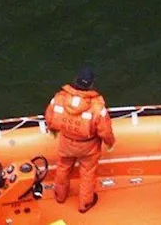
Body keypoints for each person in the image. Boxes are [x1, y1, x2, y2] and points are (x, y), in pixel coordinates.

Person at [43, 66, 115, 213]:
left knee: (63, 168)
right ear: (91, 84)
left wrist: (53, 130)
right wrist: (110, 143)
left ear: (75, 80)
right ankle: (85, 204)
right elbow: (105, 130)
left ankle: (60, 195)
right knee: (87, 174)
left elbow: (49, 118)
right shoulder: (96, 107)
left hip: (67, 143)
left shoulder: (59, 99)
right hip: (88, 147)